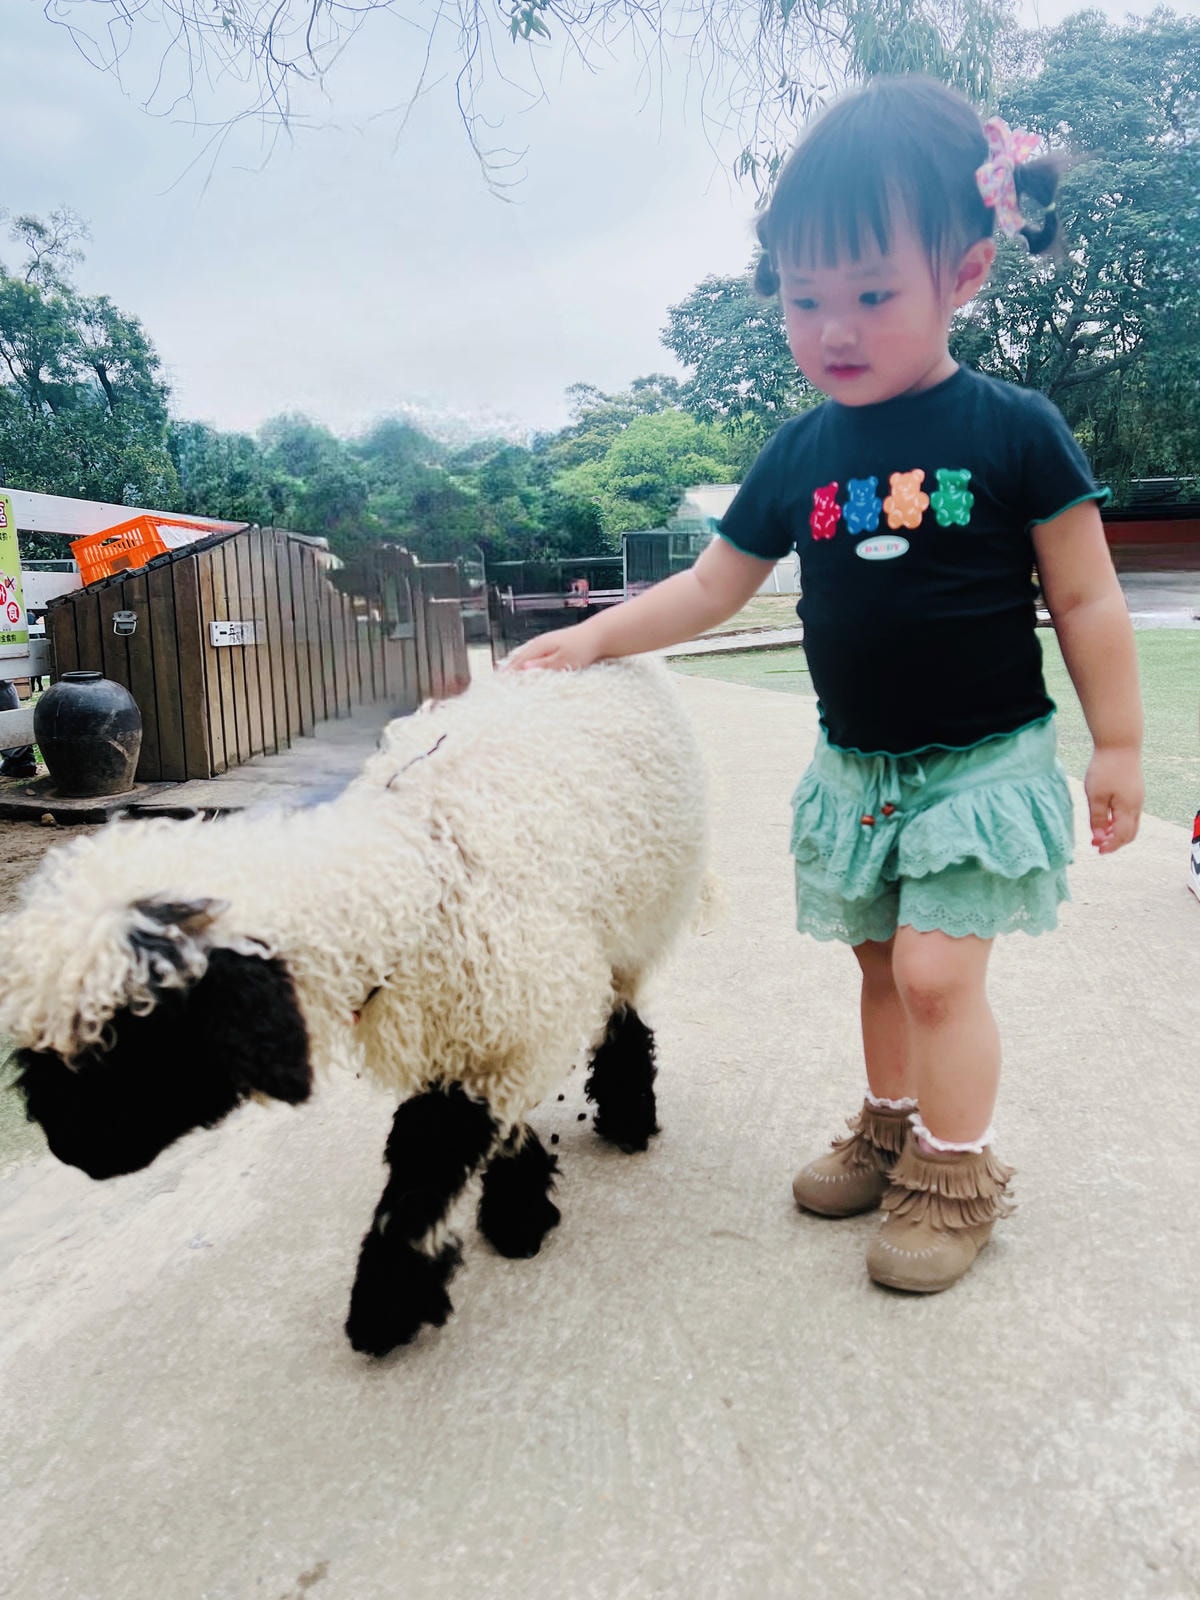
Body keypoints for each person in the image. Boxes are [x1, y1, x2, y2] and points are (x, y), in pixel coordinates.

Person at [504, 75, 1144, 1293]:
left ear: (965, 272)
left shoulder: (1015, 430)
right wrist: (592, 639)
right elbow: (712, 585)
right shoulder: (798, 452)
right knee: (878, 963)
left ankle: (955, 1173)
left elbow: (1088, 600)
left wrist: (1117, 743)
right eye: (805, 299)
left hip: (983, 761)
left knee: (937, 974)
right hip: (859, 770)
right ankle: (891, 1125)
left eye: (871, 295)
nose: (833, 328)